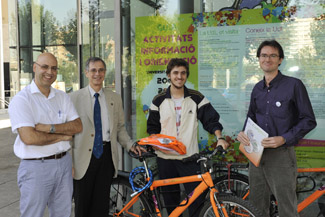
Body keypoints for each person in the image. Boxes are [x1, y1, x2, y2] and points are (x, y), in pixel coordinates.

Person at [237, 40, 317, 216]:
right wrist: (243, 133)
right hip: (256, 154)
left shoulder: (294, 85)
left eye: (273, 55)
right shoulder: (256, 89)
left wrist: (285, 138)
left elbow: (309, 120)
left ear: (280, 60)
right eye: (264, 55)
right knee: (257, 206)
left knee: (286, 207)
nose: (268, 59)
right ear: (258, 59)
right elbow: (251, 116)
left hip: (281, 155)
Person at [147, 58, 229, 216]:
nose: (179, 76)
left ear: (186, 76)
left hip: (190, 158)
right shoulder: (159, 100)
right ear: (169, 75)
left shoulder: (196, 97)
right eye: (175, 73)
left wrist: (219, 137)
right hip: (165, 159)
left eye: (183, 73)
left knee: (196, 201)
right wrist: (155, 141)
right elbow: (152, 127)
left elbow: (211, 120)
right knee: (171, 203)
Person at [8, 52, 83, 217]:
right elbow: (29, 138)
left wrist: (49, 128)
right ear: (35, 67)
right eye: (45, 66)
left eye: (54, 68)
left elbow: (77, 126)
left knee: (63, 214)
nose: (50, 72)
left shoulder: (62, 97)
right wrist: (62, 135)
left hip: (63, 164)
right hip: (36, 167)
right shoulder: (22, 100)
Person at [70, 57, 143, 217]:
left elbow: (120, 129)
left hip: (106, 157)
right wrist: (69, 162)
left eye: (101, 70)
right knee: (82, 205)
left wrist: (130, 145)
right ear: (86, 72)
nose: (98, 74)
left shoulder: (114, 98)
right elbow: (69, 133)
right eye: (94, 70)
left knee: (101, 205)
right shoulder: (73, 98)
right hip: (82, 159)